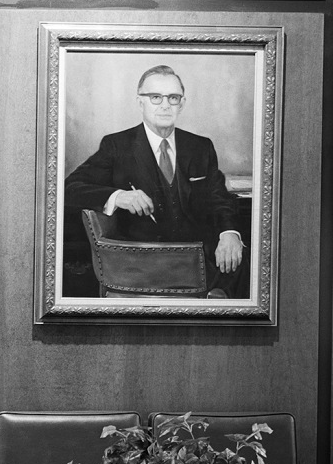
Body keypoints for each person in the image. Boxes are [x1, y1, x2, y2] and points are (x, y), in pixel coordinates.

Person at [64, 65, 246, 298]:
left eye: (173, 97)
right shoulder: (117, 146)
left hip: (198, 259)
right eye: (155, 97)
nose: (165, 104)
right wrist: (119, 196)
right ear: (140, 102)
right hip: (144, 262)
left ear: (182, 103)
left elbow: (218, 196)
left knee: (250, 265)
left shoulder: (200, 147)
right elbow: (70, 188)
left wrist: (229, 232)